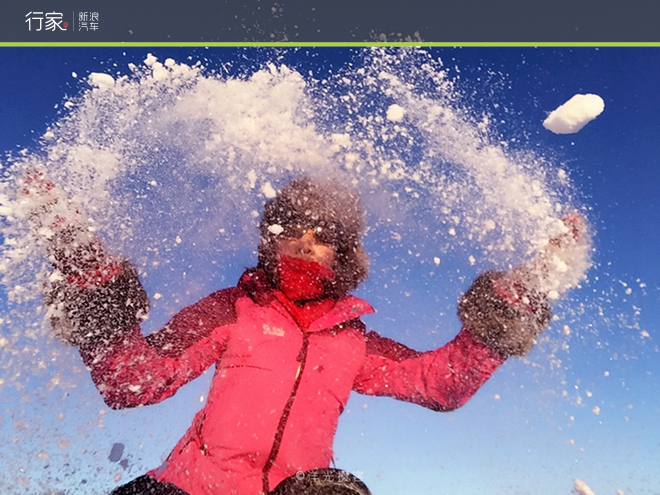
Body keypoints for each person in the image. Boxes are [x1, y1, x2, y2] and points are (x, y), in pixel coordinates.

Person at [22, 173, 569, 495]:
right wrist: (90, 282)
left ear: (344, 249)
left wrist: (509, 310)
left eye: (324, 233)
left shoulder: (352, 341)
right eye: (293, 226)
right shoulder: (233, 310)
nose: (307, 241)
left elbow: (439, 384)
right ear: (270, 238)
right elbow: (135, 382)